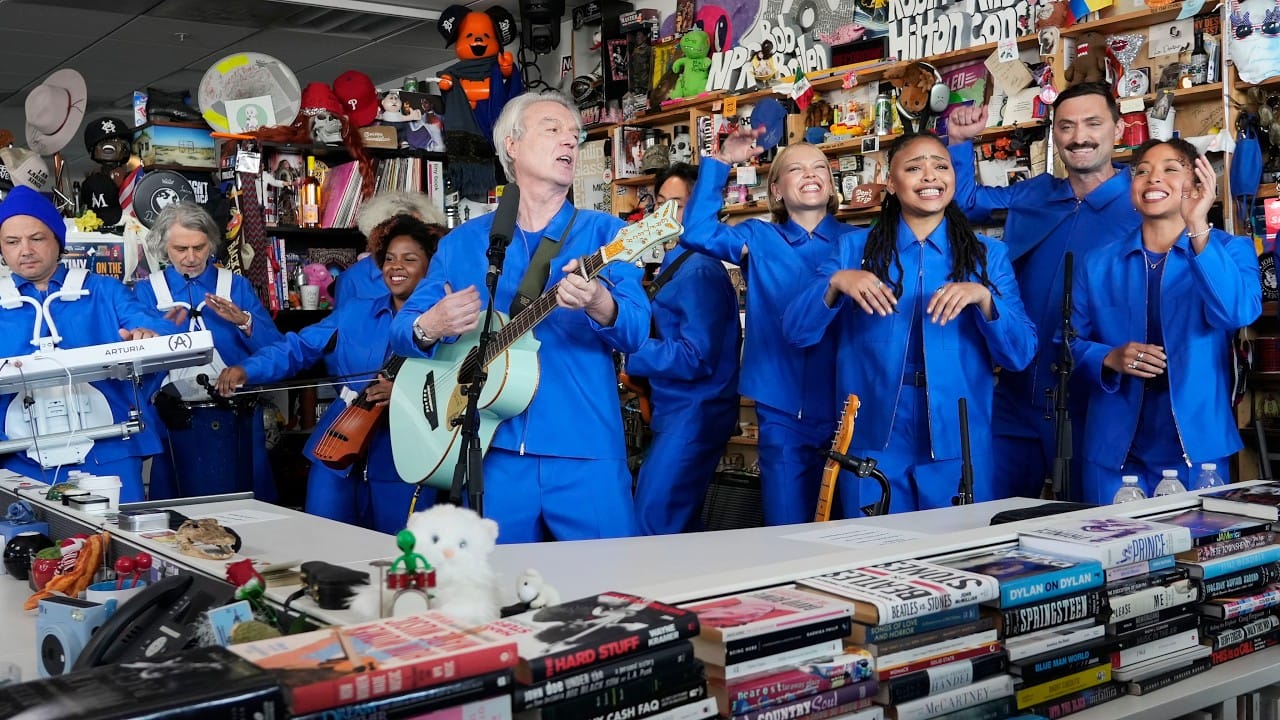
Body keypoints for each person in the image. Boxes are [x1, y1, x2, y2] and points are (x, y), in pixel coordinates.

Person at [389, 91, 651, 543]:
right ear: (512, 145)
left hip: (585, 447)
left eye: (575, 134)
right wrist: (429, 324)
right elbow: (402, 332)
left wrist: (597, 302)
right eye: (553, 129)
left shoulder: (609, 234)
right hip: (493, 451)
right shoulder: (462, 243)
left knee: (610, 588)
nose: (569, 141)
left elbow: (636, 330)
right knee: (497, 594)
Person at [785, 132, 1036, 514]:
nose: (930, 177)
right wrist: (835, 284)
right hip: (870, 432)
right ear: (890, 180)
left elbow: (1020, 355)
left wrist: (986, 299)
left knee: (953, 554)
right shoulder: (853, 249)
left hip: (959, 432)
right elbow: (796, 331)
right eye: (914, 168)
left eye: (941, 166)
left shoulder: (988, 256)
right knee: (870, 555)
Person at [946, 82, 1142, 501]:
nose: (1079, 137)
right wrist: (961, 144)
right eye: (1066, 126)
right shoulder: (1035, 193)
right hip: (1015, 391)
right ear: (1054, 136)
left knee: (1084, 525)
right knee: (984, 517)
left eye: (1093, 123)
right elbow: (963, 203)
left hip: (1093, 396)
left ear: (1119, 130)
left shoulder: (1142, 202)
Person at [216, 216, 443, 533]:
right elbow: (298, 347)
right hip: (339, 443)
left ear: (430, 266)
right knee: (323, 540)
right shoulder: (355, 311)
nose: (396, 267)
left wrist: (406, 391)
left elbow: (455, 380)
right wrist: (246, 370)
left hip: (404, 450)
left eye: (410, 259)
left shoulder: (443, 320)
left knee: (397, 553)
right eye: (389, 259)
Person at [1070, 139, 1260, 503]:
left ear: (1197, 181)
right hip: (1113, 450)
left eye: (1171, 169)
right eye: (1142, 171)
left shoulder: (1230, 249)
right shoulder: (1097, 263)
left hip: (1197, 448)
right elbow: (1067, 344)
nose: (1154, 178)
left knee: (1195, 549)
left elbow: (1237, 312)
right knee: (1115, 555)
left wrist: (1198, 226)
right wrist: (1109, 358)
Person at [680, 132, 840, 526]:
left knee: (850, 528)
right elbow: (696, 232)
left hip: (846, 405)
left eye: (820, 167)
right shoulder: (758, 236)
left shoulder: (859, 242)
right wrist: (721, 161)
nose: (810, 174)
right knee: (786, 526)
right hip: (780, 407)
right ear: (776, 189)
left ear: (833, 186)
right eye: (796, 168)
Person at [0, 186, 181, 501]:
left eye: (37, 238)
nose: (25, 250)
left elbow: (161, 332)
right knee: (35, 543)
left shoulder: (104, 291)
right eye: (12, 242)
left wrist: (147, 337)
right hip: (18, 456)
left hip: (108, 448)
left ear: (58, 241)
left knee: (121, 542)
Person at [133, 203, 283, 501]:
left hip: (236, 413)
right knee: (176, 497)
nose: (191, 258)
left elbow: (277, 350)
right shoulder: (148, 291)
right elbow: (133, 363)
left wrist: (245, 321)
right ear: (164, 247)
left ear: (211, 244)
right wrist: (153, 336)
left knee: (246, 495)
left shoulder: (235, 286)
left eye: (199, 247)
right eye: (180, 249)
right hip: (171, 416)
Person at [627, 162, 741, 535]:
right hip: (680, 412)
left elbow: (696, 356)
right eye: (660, 203)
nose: (665, 214)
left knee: (653, 522)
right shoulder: (678, 262)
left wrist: (632, 353)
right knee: (677, 522)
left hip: (694, 415)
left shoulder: (698, 270)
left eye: (677, 204)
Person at [333, 190, 445, 303]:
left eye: (419, 230)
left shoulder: (440, 268)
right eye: (400, 231)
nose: (409, 238)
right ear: (378, 233)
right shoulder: (352, 279)